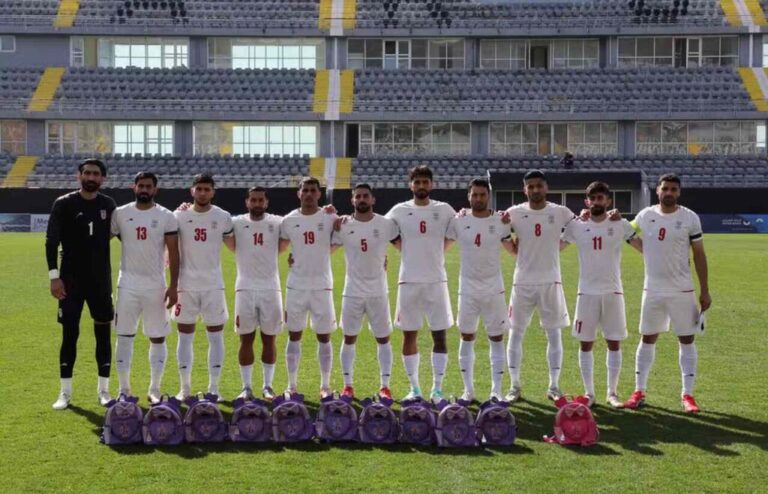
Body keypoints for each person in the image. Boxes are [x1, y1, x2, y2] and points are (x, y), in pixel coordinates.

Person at [624, 174, 711, 413]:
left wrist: (705, 290)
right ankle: (639, 391)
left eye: (673, 189)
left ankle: (688, 395)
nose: (669, 193)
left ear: (679, 192)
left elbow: (700, 255)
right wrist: (645, 250)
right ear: (658, 191)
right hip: (652, 290)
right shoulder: (645, 215)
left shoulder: (689, 218)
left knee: (686, 339)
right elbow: (626, 231)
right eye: (665, 189)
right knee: (648, 338)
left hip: (682, 290)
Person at [560, 181, 642, 408]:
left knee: (613, 342)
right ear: (587, 202)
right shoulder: (577, 226)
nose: (597, 202)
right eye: (593, 198)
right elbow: (554, 247)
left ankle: (612, 393)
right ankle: (589, 393)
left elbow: (644, 247)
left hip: (613, 291)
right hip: (586, 292)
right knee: (585, 344)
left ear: (608, 201)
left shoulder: (620, 224)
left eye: (601, 198)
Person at [46, 158, 116, 410]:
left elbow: (130, 228)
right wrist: (54, 276)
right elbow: (51, 241)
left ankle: (104, 390)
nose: (91, 176)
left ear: (102, 179)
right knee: (69, 334)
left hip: (100, 281)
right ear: (79, 176)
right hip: (70, 281)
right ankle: (65, 392)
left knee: (103, 335)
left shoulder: (108, 205)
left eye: (96, 173)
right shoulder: (64, 203)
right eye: (86, 172)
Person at [504, 170, 575, 403]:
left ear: (546, 188)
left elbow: (579, 229)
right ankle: (514, 386)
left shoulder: (561, 212)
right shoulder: (514, 213)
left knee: (554, 334)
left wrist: (556, 249)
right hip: (522, 282)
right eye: (530, 186)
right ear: (525, 190)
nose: (535, 190)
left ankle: (554, 386)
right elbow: (501, 233)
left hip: (550, 282)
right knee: (516, 332)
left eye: (539, 186)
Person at [386, 165, 456, 403]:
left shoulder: (444, 210)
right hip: (408, 281)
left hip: (436, 280)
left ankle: (437, 389)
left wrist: (438, 252)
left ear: (432, 184)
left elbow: (457, 231)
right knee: (409, 336)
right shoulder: (398, 210)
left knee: (440, 336)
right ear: (411, 185)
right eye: (417, 182)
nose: (421, 186)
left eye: (425, 182)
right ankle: (414, 388)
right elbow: (381, 230)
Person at [111, 172, 179, 404]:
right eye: (141, 185)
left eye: (149, 186)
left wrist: (174, 286)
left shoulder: (165, 216)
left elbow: (174, 252)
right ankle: (124, 389)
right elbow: (103, 242)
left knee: (158, 337)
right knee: (124, 336)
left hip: (156, 286)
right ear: (134, 186)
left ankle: (155, 388)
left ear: (155, 190)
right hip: (127, 286)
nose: (144, 189)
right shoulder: (120, 213)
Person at [447, 178, 515, 402]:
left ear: (489, 196)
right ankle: (469, 391)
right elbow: (440, 246)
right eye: (474, 195)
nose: (478, 198)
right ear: (468, 196)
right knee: (466, 337)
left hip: (493, 288)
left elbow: (513, 249)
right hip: (467, 289)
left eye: (482, 195)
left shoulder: (501, 221)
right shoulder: (458, 221)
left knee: (496, 338)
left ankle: (496, 391)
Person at [332, 184, 399, 400]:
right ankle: (348, 385)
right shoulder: (342, 225)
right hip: (352, 291)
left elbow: (404, 246)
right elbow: (324, 249)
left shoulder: (386, 224)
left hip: (378, 291)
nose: (361, 199)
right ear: (352, 200)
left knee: (383, 339)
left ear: (373, 200)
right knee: (349, 337)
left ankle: (385, 385)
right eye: (357, 196)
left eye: (365, 196)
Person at [172, 173, 233, 400]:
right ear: (192, 191)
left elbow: (236, 245)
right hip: (185, 285)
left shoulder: (223, 217)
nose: (203, 193)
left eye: (207, 189)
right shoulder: (178, 215)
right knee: (184, 337)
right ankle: (184, 388)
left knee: (215, 337)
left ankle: (213, 388)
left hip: (213, 286)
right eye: (199, 189)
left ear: (213, 192)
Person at [226, 187, 289, 401]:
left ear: (266, 202)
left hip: (271, 287)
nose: (257, 203)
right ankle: (246, 387)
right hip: (244, 287)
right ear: (247, 202)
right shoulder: (236, 222)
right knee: (246, 339)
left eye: (260, 200)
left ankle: (268, 386)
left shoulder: (278, 222)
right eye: (253, 200)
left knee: (270, 339)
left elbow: (298, 231)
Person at [279, 177, 339, 399]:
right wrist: (295, 258)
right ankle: (291, 385)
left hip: (322, 286)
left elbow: (341, 239)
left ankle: (325, 386)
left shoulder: (330, 216)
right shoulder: (288, 220)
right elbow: (282, 245)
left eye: (313, 190)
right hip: (296, 286)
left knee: (324, 336)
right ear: (299, 194)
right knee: (294, 335)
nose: (309, 194)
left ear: (319, 194)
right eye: (305, 190)